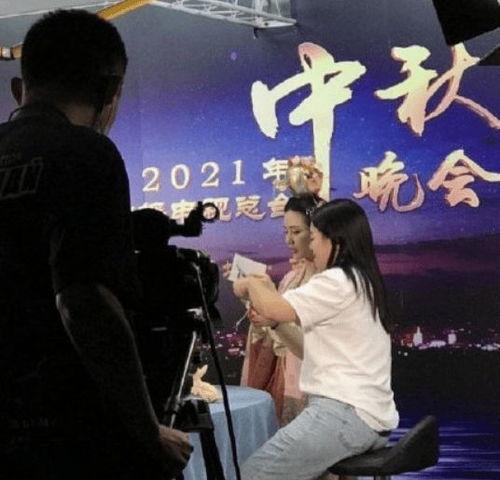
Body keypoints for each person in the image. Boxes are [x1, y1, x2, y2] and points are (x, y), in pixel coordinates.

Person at [0, 10, 191, 480]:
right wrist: (146, 430)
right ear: (110, 91)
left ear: (20, 87)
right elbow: (83, 300)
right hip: (62, 433)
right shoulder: (86, 153)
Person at [233, 199, 399, 480]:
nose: (310, 247)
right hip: (367, 417)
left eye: (313, 238)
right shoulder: (362, 280)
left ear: (335, 241)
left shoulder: (337, 280)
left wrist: (250, 283)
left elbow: (273, 307)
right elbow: (305, 347)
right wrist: (273, 317)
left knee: (252, 475)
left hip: (343, 413)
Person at [240, 194, 319, 425]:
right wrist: (261, 320)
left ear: (316, 232)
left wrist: (273, 319)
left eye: (296, 232)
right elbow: (275, 335)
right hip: (286, 377)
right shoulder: (289, 279)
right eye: (286, 232)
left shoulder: (328, 282)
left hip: (315, 380)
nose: (289, 240)